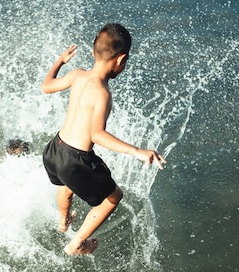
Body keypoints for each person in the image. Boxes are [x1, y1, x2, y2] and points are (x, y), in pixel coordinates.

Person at [42, 23, 165, 255]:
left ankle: (63, 221)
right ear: (121, 60)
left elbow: (46, 86)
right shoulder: (102, 93)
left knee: (67, 186)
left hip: (54, 149)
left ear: (92, 52)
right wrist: (136, 151)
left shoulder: (77, 74)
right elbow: (96, 134)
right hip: (76, 159)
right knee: (113, 197)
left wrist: (60, 61)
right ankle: (76, 243)